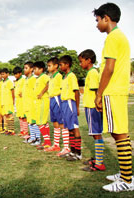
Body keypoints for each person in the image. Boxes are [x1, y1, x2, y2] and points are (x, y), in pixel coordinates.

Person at [93, 3, 133, 192]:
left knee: (119, 134)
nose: (97, 24)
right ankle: (127, 173)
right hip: (118, 90)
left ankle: (126, 180)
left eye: (98, 20)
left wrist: (99, 94)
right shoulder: (120, 36)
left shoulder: (112, 37)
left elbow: (108, 69)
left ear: (106, 18)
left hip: (112, 90)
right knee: (120, 133)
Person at [78, 49, 105, 172]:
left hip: (92, 106)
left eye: (81, 61)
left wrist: (98, 104)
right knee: (95, 133)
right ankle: (97, 159)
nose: (80, 64)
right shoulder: (90, 72)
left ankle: (99, 163)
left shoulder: (93, 73)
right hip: (91, 106)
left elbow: (96, 90)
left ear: (88, 60)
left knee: (96, 133)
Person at [58, 55, 82, 161]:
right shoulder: (65, 77)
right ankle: (72, 151)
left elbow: (76, 92)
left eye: (61, 65)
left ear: (67, 64)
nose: (60, 67)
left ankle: (78, 153)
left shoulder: (72, 76)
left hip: (69, 103)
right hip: (64, 103)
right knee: (69, 129)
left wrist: (76, 107)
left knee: (74, 127)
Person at [44, 58, 69, 154]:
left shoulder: (59, 76)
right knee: (54, 123)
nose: (48, 67)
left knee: (61, 123)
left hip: (57, 99)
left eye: (49, 65)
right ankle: (56, 145)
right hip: (51, 99)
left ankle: (66, 147)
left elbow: (62, 89)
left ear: (56, 66)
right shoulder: (51, 77)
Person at [33, 61, 51, 149]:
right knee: (43, 122)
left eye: (35, 69)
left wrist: (41, 93)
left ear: (41, 69)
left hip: (43, 101)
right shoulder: (38, 78)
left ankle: (47, 141)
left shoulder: (44, 76)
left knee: (40, 122)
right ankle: (47, 141)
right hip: (39, 102)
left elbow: (48, 84)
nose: (34, 70)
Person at [22, 62, 38, 144]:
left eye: (26, 68)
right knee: (29, 121)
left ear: (31, 69)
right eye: (24, 68)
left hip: (32, 104)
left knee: (33, 121)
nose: (24, 70)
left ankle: (37, 138)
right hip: (26, 104)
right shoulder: (26, 79)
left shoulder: (33, 79)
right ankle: (32, 137)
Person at [0, 68, 15, 135]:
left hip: (9, 102)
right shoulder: (3, 82)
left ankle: (12, 130)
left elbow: (12, 92)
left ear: (7, 74)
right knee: (6, 115)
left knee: (10, 115)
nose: (2, 75)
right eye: (1, 74)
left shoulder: (9, 82)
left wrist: (13, 100)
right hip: (4, 102)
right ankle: (8, 129)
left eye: (3, 74)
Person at [13, 66, 26, 136]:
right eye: (14, 74)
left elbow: (25, 89)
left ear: (20, 73)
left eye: (16, 74)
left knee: (24, 116)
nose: (15, 75)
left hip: (22, 101)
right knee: (20, 116)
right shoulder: (16, 81)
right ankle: (22, 131)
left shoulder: (23, 80)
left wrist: (23, 93)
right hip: (18, 101)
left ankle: (25, 132)